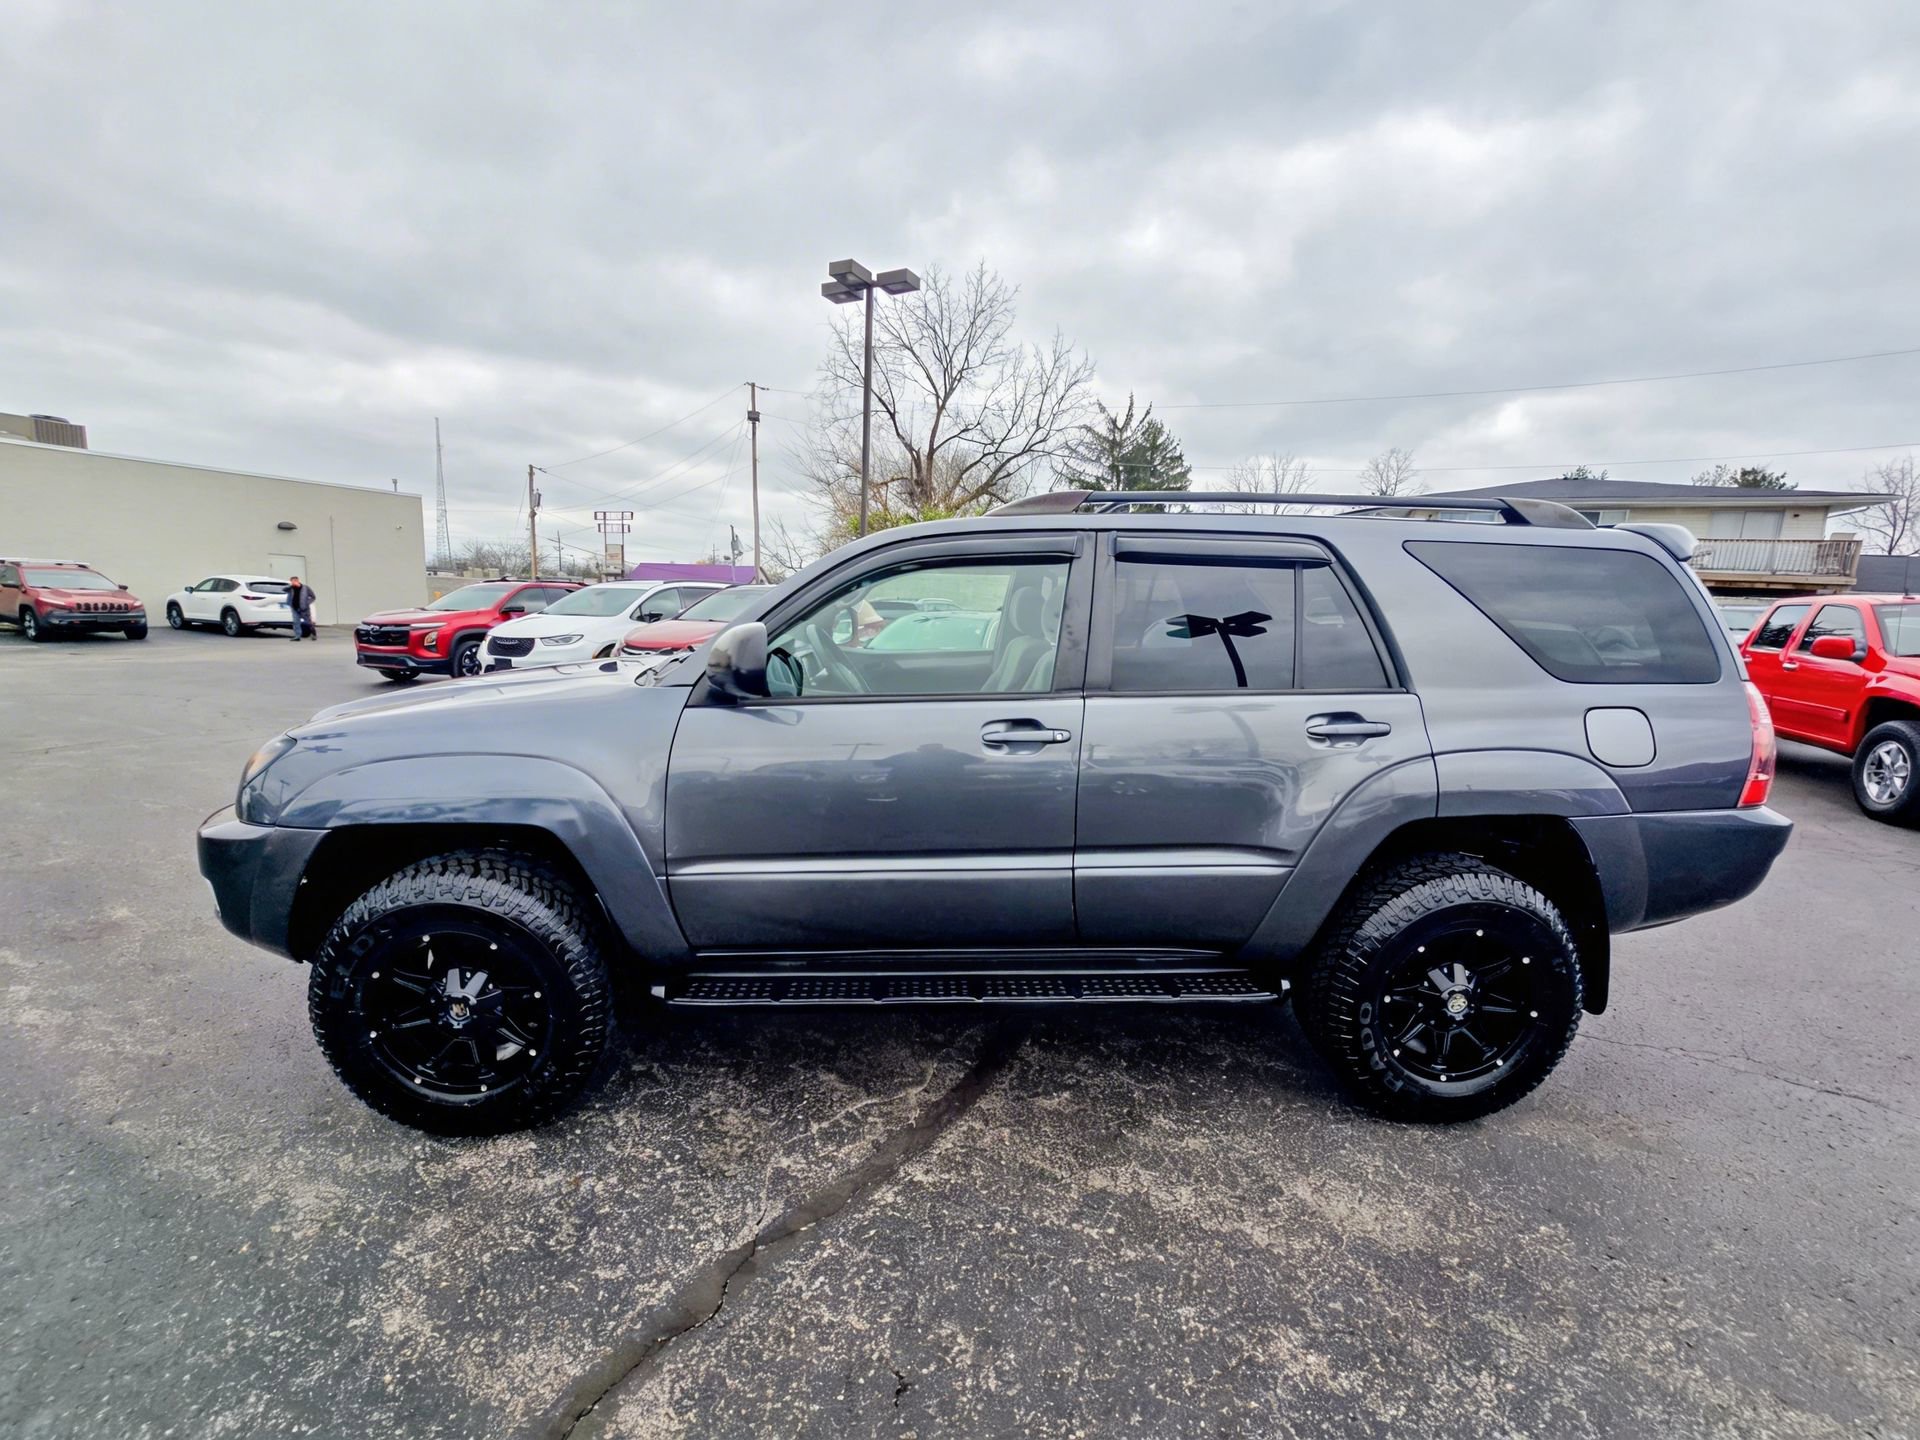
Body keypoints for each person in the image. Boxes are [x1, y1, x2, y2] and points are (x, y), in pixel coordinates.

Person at [287, 576, 317, 641]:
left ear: (298, 580)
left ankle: (313, 633)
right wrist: (290, 586)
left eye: (295, 581)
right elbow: (284, 589)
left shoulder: (305, 588)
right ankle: (297, 636)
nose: (293, 582)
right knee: (296, 622)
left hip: (304, 608)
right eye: (292, 581)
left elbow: (313, 597)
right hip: (294, 608)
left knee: (308, 622)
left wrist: (307, 603)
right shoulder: (291, 588)